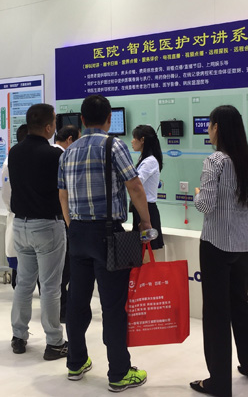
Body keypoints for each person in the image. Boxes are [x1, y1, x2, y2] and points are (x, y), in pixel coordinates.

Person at [58, 94, 152, 392]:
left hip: (77, 233)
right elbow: (135, 186)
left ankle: (75, 362)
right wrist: (146, 222)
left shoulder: (68, 151)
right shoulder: (114, 145)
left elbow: (63, 194)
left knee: (77, 301)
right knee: (113, 305)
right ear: (109, 119)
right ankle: (119, 373)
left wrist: (73, 226)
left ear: (81, 120)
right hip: (108, 234)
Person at [189, 105, 248, 397]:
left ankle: (219, 382)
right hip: (245, 245)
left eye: (210, 126)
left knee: (216, 311)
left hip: (216, 244)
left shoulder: (215, 161)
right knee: (240, 305)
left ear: (217, 128)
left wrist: (197, 194)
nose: (208, 131)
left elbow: (205, 205)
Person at [8, 104, 68, 360]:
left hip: (20, 226)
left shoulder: (14, 152)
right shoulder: (54, 155)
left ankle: (18, 336)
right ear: (48, 127)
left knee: (24, 283)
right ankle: (54, 342)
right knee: (51, 286)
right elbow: (64, 191)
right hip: (47, 227)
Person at [52, 125, 80, 324]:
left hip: (45, 220)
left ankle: (56, 308)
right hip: (61, 218)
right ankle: (62, 309)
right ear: (70, 140)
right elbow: (64, 193)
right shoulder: (62, 157)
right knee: (64, 268)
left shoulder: (48, 153)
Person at [130, 124, 164, 259]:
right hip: (140, 209)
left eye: (134, 138)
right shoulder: (144, 160)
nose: (132, 141)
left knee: (146, 256)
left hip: (146, 211)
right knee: (139, 254)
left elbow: (135, 184)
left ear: (142, 140)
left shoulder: (149, 161)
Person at [1, 123, 28, 289]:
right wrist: (13, 209)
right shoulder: (10, 161)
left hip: (25, 216)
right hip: (18, 215)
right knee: (19, 260)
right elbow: (6, 193)